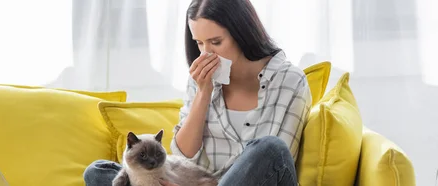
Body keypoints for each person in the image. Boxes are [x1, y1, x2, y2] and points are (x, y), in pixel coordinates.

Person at [83, 0, 312, 185]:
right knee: (99, 172)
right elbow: (185, 155)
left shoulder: (289, 80)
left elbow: (276, 164)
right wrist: (204, 92)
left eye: (216, 42)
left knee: (270, 147)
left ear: (243, 33)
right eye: (200, 43)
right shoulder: (200, 78)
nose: (206, 53)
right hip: (196, 181)